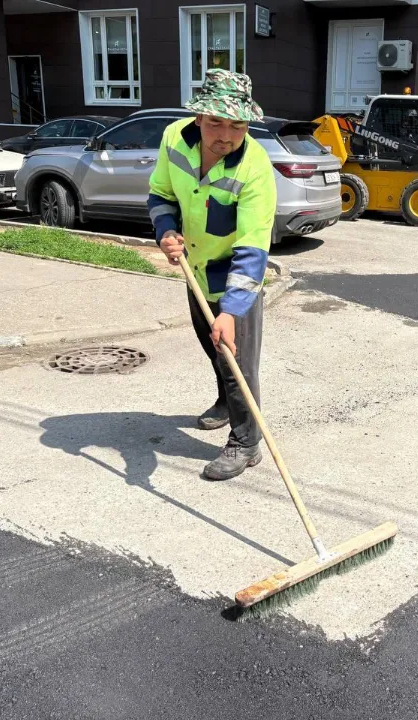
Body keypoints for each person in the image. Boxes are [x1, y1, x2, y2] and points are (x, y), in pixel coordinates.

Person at [147, 69, 277, 481]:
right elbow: (161, 194)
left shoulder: (254, 167)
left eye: (237, 125)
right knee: (211, 346)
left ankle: (246, 442)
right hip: (196, 269)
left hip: (236, 277)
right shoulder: (174, 139)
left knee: (237, 359)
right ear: (199, 117)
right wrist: (166, 230)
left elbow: (253, 247)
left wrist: (231, 311)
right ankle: (225, 402)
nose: (225, 135)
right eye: (216, 121)